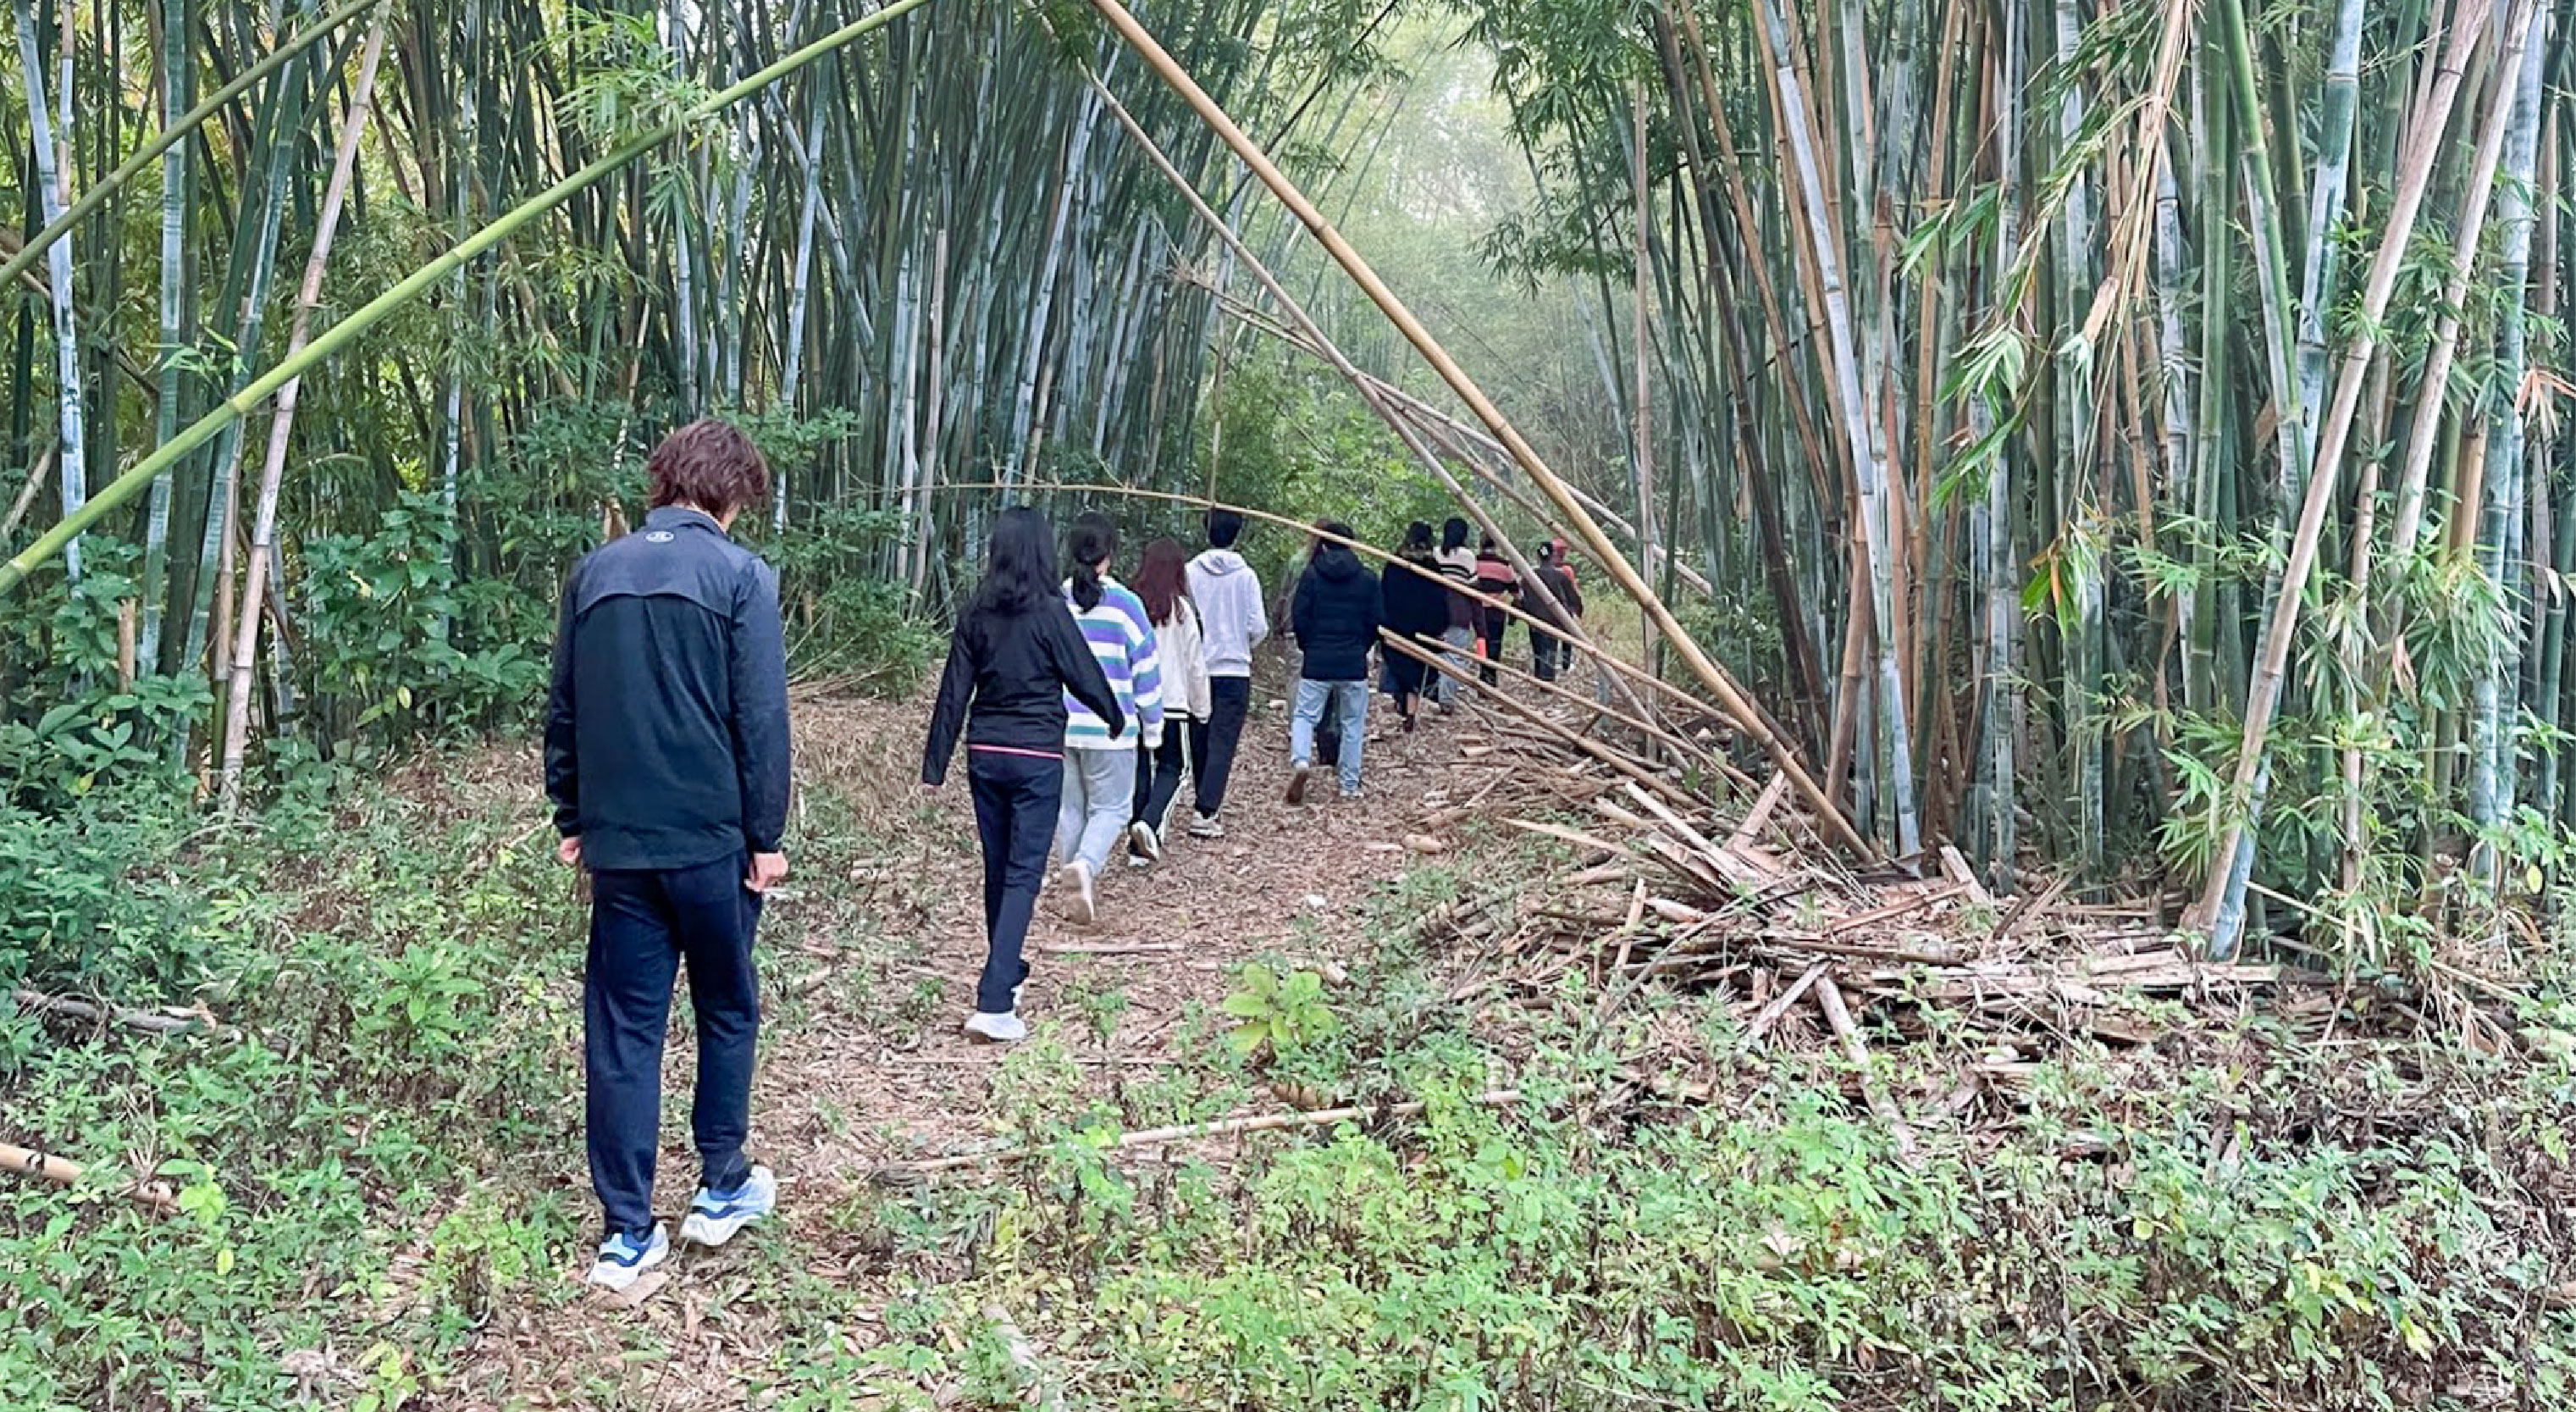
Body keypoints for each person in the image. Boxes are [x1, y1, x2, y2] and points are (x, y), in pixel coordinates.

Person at [545, 418, 791, 1292]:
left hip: (619, 848)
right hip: (712, 844)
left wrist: (571, 814)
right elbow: (760, 718)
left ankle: (626, 1233)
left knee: (622, 1030)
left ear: (664, 482)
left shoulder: (595, 572)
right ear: (730, 493)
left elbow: (564, 708)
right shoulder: (739, 576)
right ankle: (721, 1183)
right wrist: (768, 837)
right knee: (726, 1004)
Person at [923, 507, 1124, 1047]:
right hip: (1036, 757)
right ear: (1041, 551)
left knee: (999, 866)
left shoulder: (975, 613)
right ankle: (993, 1001)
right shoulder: (1051, 613)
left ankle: (1005, 973)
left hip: (985, 754)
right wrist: (1115, 715)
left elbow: (953, 691)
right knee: (1022, 875)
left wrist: (935, 763)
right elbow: (1083, 672)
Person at [1057, 512, 1164, 922]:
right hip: (1112, 727)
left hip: (1061, 725)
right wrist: (1153, 726)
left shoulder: (1055, 601)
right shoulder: (1125, 606)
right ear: (1110, 554)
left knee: (1070, 810)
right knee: (1114, 810)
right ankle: (1084, 867)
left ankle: (1073, 888)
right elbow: (1146, 672)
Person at [1184, 510, 1266, 839]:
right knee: (1224, 740)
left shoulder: (1189, 573)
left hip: (1198, 667)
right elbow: (1258, 626)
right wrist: (1242, 644)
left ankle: (1204, 799)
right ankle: (1206, 810)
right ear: (1237, 535)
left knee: (1200, 737)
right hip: (1234, 669)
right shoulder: (1246, 576)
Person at [1287, 520, 1380, 801]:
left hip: (1317, 661)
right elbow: (1375, 621)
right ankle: (1348, 785)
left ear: (1324, 544)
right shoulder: (1367, 578)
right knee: (1352, 722)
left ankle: (1302, 759)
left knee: (1304, 715)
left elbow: (1300, 616)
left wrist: (1309, 646)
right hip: (1353, 662)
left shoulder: (1312, 576)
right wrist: (1361, 647)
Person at [1127, 538, 1208, 864]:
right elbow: (1195, 664)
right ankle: (1149, 822)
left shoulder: (1131, 606)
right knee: (1176, 768)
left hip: (1134, 702)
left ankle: (1138, 845)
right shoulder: (1182, 611)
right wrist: (1202, 707)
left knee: (1142, 770)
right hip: (1172, 704)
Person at [1379, 521, 1451, 730]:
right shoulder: (1431, 567)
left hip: (1396, 626)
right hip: (1422, 629)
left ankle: (1403, 703)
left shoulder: (1394, 564)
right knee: (1416, 672)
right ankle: (1410, 711)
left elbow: (1384, 595)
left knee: (1399, 666)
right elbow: (1440, 600)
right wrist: (1439, 627)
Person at [1522, 539, 1586, 682]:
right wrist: (1578, 609)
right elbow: (1572, 595)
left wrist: (1519, 614)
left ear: (1539, 556)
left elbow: (1522, 597)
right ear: (1552, 555)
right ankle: (1547, 680)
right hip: (1553, 619)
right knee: (1550, 649)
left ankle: (1539, 677)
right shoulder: (1560, 576)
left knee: (1538, 649)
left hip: (1534, 619)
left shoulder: (1529, 576)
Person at [1431, 518, 1479, 705]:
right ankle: (1446, 700)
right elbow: (1473, 586)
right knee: (1455, 657)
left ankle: (1439, 694)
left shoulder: (1435, 554)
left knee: (1439, 655)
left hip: (1436, 610)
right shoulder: (1467, 556)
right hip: (1459, 611)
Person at [1473, 537, 1517, 686]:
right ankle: (1491, 677)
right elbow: (1515, 592)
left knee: (1481, 641)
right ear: (1496, 546)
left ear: (1481, 545)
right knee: (1495, 643)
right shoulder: (1504, 565)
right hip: (1497, 611)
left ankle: (1482, 675)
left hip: (1477, 610)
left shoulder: (1474, 561)